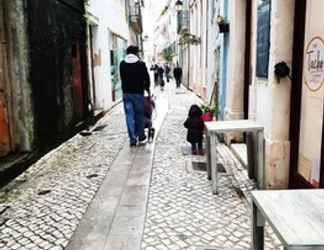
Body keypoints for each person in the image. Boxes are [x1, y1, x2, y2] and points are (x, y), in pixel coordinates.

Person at [120, 45, 150, 147]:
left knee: (129, 116)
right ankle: (141, 135)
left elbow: (122, 78)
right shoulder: (141, 64)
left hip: (126, 94)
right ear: (136, 53)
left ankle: (132, 138)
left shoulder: (122, 64)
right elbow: (146, 78)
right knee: (139, 115)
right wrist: (147, 88)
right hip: (138, 93)